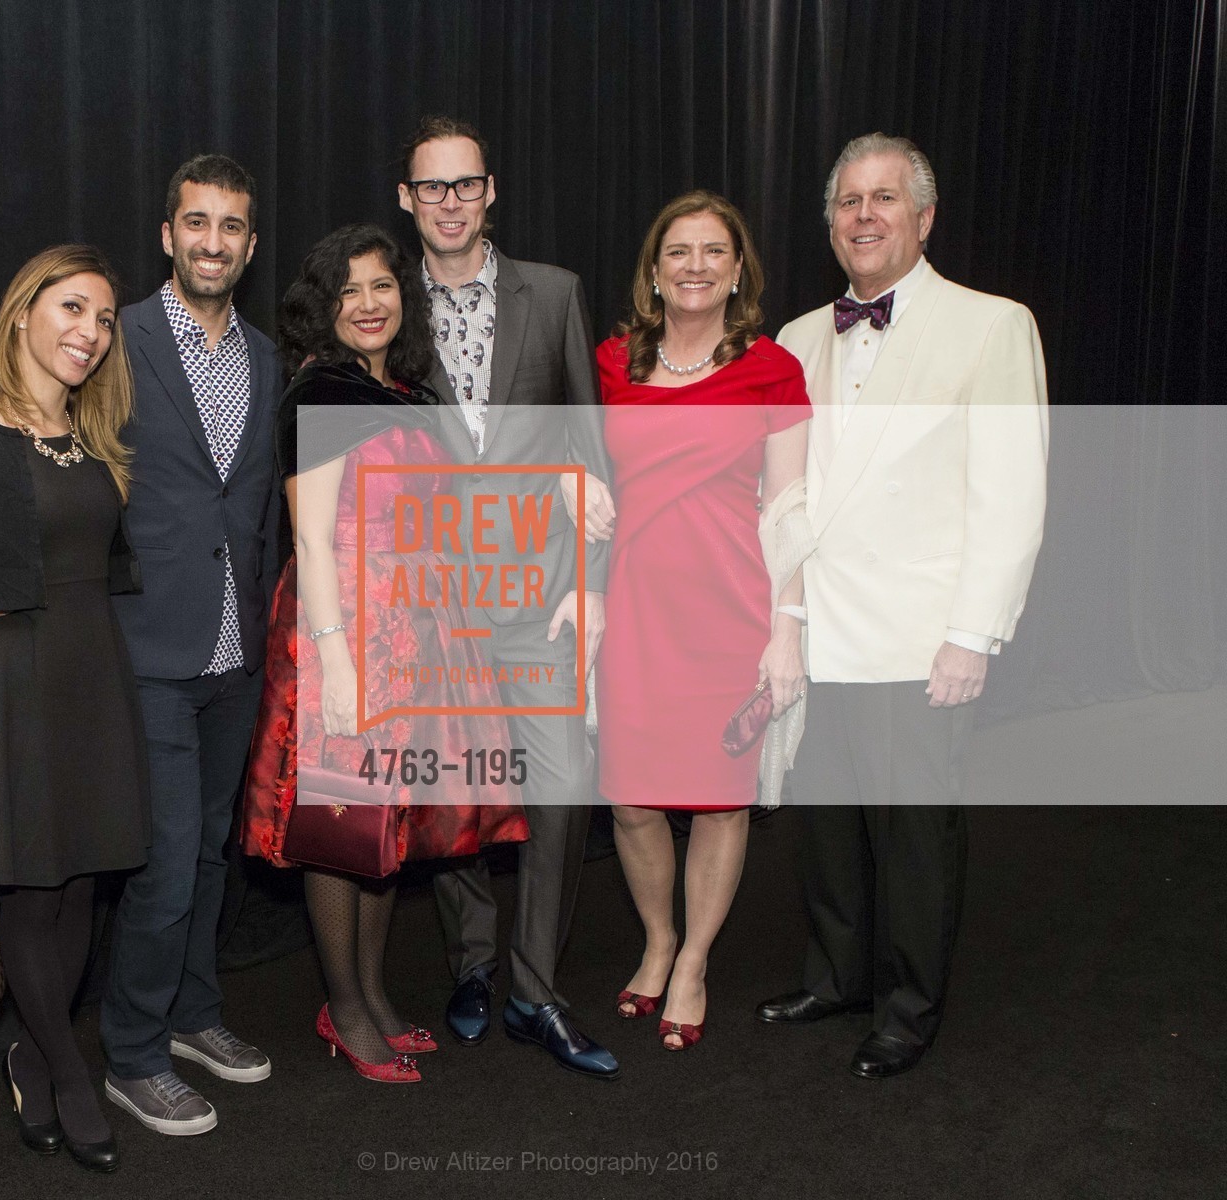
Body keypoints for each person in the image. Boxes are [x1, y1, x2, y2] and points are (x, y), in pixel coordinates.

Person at [0, 154, 283, 1133]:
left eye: (231, 226)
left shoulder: (267, 358)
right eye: (198, 223)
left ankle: (192, 1014)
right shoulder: (119, 336)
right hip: (142, 647)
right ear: (168, 234)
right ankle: (134, 1054)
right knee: (168, 855)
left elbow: (254, 499)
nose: (214, 242)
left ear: (250, 245)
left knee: (216, 852)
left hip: (238, 649)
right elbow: (34, 436)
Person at [757, 133, 1048, 1078]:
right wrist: (787, 621)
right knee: (830, 830)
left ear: (924, 218)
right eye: (849, 201)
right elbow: (787, 501)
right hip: (826, 629)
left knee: (916, 837)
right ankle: (839, 974)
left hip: (923, 637)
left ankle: (909, 1006)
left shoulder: (992, 325)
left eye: (886, 199)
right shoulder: (799, 338)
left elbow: (1012, 495)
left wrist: (974, 634)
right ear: (832, 222)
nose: (865, 215)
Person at [240, 223, 528, 1084]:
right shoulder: (322, 391)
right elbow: (315, 541)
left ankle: (364, 993)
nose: (367, 304)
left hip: (411, 627)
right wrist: (335, 664)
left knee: (384, 822)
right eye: (348, 291)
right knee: (339, 824)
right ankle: (348, 1010)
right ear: (323, 310)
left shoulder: (402, 391)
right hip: (344, 628)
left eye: (382, 287)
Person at [397, 115, 621, 1079]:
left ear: (492, 192)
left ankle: (536, 990)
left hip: (543, 600)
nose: (450, 202)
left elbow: (592, 454)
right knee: (455, 796)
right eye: (431, 188)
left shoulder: (556, 294)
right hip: (439, 608)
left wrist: (596, 590)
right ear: (407, 202)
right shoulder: (381, 306)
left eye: (465, 184)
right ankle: (474, 965)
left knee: (563, 790)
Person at [0, 244, 145, 1172]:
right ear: (23, 314)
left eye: (102, 318)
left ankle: (28, 1049)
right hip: (10, 689)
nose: (87, 332)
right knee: (30, 886)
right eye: (70, 309)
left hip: (94, 676)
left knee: (84, 879)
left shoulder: (97, 444)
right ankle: (67, 1069)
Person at [595, 192, 811, 1050]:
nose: (694, 265)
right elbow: (581, 472)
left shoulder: (772, 369)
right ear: (654, 270)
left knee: (720, 801)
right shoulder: (612, 362)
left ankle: (693, 962)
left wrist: (786, 625)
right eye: (677, 251)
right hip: (637, 610)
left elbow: (793, 508)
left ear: (737, 271)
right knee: (633, 800)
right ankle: (656, 940)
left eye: (712, 251)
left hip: (729, 609)